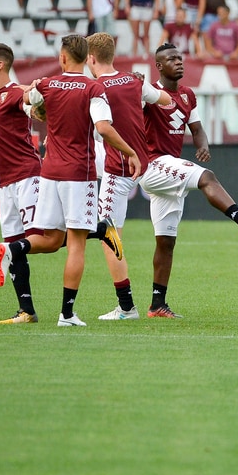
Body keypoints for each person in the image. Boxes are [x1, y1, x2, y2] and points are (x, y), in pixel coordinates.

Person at [0, 35, 141, 327]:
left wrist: (36, 93)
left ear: (62, 57)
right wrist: (130, 151)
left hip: (49, 173)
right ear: (87, 58)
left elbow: (30, 103)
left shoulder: (47, 85)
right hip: (78, 174)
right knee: (75, 245)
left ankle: (12, 248)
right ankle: (67, 314)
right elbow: (103, 127)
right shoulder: (93, 88)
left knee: (51, 240)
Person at [139, 43, 238, 317]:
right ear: (159, 66)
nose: (179, 62)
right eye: (171, 59)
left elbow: (197, 129)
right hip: (152, 164)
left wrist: (203, 145)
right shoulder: (149, 94)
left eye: (180, 58)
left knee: (166, 242)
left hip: (169, 168)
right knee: (207, 177)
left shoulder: (188, 95)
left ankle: (157, 304)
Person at [85, 33, 173, 321]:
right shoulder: (134, 81)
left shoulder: (96, 88)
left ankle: (126, 307)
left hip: (119, 168)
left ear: (91, 58)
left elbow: (103, 127)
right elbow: (165, 99)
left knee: (109, 237)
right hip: (142, 164)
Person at [0, 43, 43, 323]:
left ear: (0, 64)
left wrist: (36, 93)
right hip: (6, 182)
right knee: (14, 242)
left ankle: (100, 230)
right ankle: (26, 311)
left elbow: (30, 99)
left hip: (27, 176)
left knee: (44, 238)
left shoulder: (15, 92)